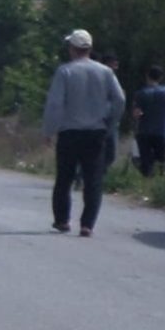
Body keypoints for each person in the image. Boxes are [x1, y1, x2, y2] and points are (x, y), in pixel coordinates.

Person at [42, 29, 125, 237]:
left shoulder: (65, 71)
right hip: (96, 132)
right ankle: (87, 224)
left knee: (64, 178)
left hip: (69, 132)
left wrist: (49, 129)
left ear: (72, 48)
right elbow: (120, 100)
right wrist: (110, 121)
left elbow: (55, 104)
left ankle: (62, 220)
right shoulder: (105, 72)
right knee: (93, 179)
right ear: (89, 48)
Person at [132, 64, 165, 177]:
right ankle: (160, 180)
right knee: (161, 159)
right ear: (161, 77)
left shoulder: (141, 93)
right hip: (160, 131)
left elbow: (136, 113)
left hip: (144, 131)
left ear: (148, 76)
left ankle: (146, 180)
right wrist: (164, 113)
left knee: (146, 160)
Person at [100, 51, 121, 174]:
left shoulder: (112, 78)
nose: (116, 64)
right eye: (113, 62)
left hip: (111, 119)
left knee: (111, 154)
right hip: (102, 119)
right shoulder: (103, 77)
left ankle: (98, 173)